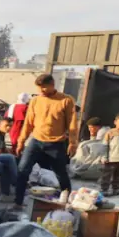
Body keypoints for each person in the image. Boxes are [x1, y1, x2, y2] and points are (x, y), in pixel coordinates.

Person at [14, 74, 79, 208]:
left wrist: (73, 143)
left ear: (52, 84)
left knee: (61, 173)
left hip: (56, 143)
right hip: (36, 141)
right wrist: (21, 141)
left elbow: (72, 124)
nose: (41, 91)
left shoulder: (66, 100)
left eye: (44, 88)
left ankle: (66, 202)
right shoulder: (35, 100)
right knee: (22, 169)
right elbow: (28, 123)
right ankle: (17, 202)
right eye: (39, 89)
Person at [99, 112, 119, 196]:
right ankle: (104, 189)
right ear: (115, 122)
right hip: (111, 159)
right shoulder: (110, 132)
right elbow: (105, 146)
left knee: (118, 175)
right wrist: (104, 157)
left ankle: (116, 188)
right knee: (107, 175)